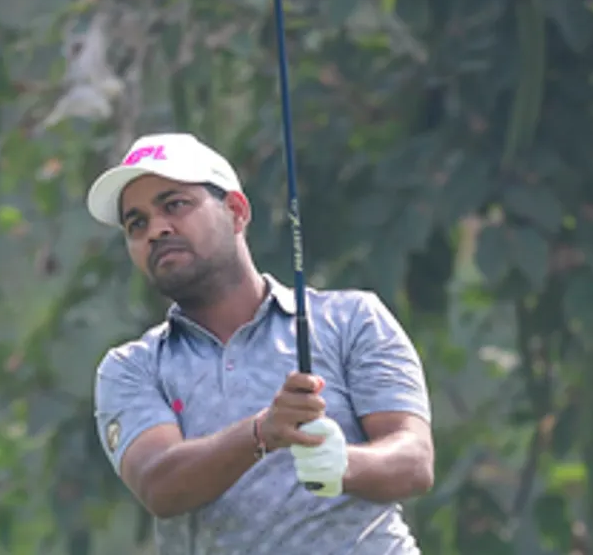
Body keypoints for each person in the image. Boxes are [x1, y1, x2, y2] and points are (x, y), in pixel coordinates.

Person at [87, 132, 435, 554]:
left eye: (174, 204)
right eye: (136, 223)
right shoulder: (132, 367)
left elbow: (415, 460)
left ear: (235, 211)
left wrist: (344, 462)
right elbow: (160, 485)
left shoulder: (352, 319)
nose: (156, 229)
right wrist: (262, 432)